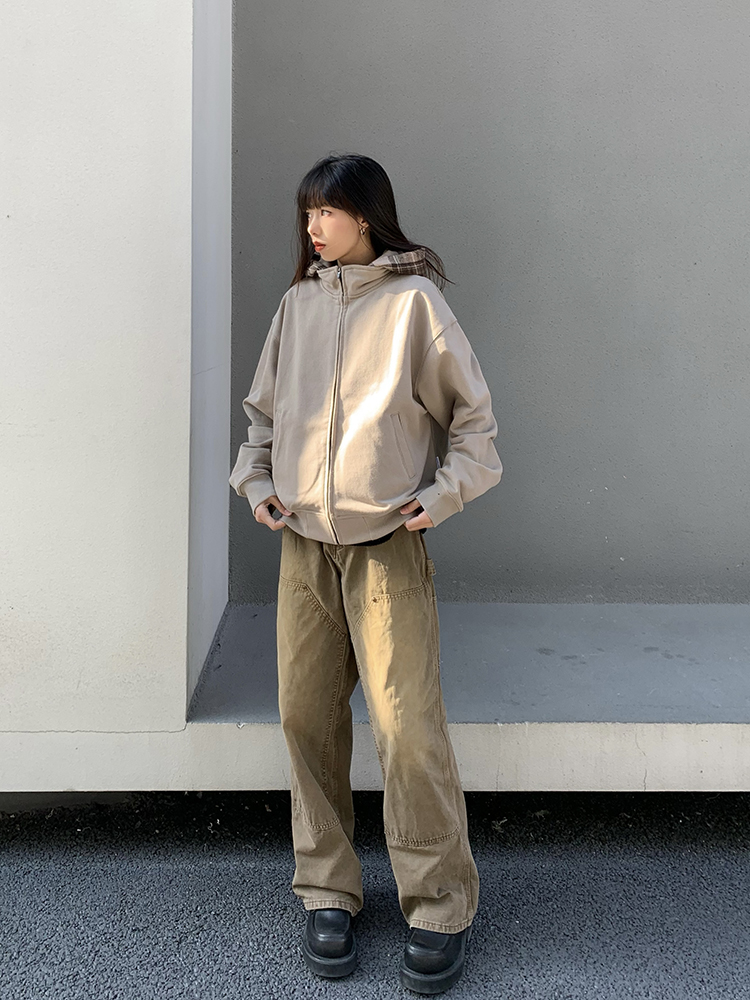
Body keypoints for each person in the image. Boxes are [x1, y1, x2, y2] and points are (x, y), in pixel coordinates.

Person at [229, 152, 503, 994]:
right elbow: (263, 417)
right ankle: (327, 890)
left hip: (386, 548)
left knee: (406, 728)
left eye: (328, 211)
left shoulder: (416, 305)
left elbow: (476, 429)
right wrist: (257, 483)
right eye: (307, 212)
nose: (313, 227)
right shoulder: (298, 305)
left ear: (367, 215)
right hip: (304, 547)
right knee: (305, 719)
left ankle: (440, 903)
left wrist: (439, 499)